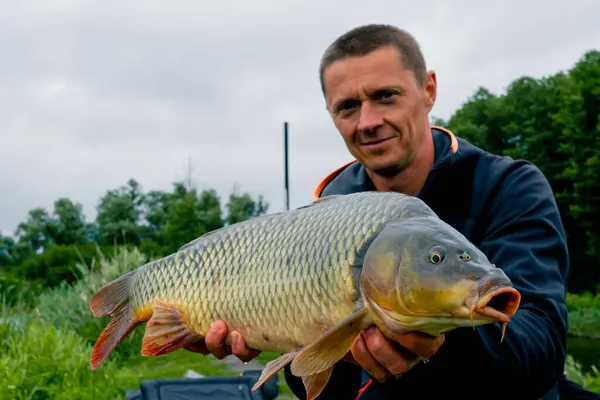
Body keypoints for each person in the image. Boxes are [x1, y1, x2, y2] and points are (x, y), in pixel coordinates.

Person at [185, 24, 578, 399]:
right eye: (348, 107)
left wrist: (431, 346)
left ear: (428, 90)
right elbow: (314, 389)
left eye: (385, 95)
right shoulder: (327, 208)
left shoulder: (507, 186)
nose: (368, 122)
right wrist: (274, 336)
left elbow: (540, 350)